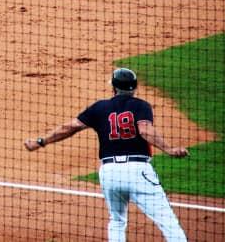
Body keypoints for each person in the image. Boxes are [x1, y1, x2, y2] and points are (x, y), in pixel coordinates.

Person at [24, 68, 188, 242]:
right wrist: (169, 149)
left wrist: (41, 141)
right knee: (167, 221)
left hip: (109, 173)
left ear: (114, 87)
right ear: (134, 87)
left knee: (117, 221)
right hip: (137, 171)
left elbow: (69, 127)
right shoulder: (141, 106)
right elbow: (145, 130)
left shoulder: (99, 107)